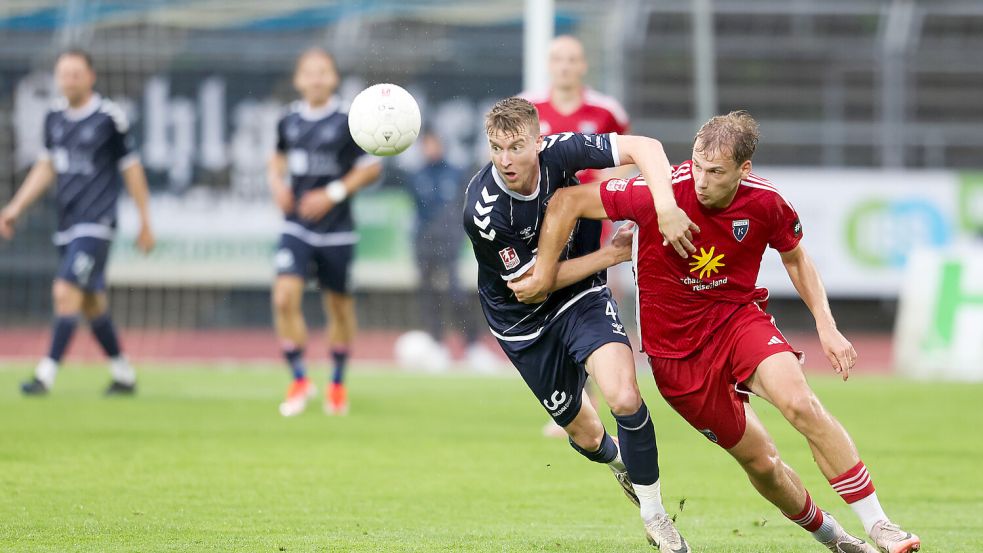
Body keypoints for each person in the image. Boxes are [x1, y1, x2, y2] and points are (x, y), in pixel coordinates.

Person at [513, 110, 921, 553]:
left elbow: (796, 258)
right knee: (763, 464)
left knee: (801, 403)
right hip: (677, 359)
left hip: (736, 320)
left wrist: (827, 325)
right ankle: (834, 537)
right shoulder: (656, 193)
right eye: (698, 166)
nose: (702, 181)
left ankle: (881, 524)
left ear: (744, 170)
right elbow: (566, 202)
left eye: (716, 172)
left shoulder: (766, 202)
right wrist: (545, 273)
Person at [463, 97, 697, 550]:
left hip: (582, 294)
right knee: (587, 436)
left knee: (625, 396)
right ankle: (620, 466)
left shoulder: (561, 151)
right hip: (523, 323)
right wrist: (611, 255)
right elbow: (534, 286)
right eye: (496, 148)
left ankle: (656, 517)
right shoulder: (485, 210)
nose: (505, 160)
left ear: (538, 140)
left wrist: (665, 207)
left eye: (515, 147)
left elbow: (646, 147)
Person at [0, 49, 154, 396]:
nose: (68, 80)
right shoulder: (53, 117)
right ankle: (123, 374)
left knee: (64, 291)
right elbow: (45, 168)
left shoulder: (108, 117)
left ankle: (45, 375)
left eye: (75, 74)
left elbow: (132, 169)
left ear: (90, 77)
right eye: (63, 74)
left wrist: (146, 221)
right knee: (91, 303)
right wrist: (15, 207)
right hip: (67, 222)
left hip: (97, 223)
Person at [521, 34, 637, 437]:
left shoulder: (606, 110)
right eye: (558, 59)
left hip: (592, 224)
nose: (566, 66)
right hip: (544, 227)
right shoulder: (528, 107)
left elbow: (624, 160)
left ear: (583, 65)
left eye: (573, 59)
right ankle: (573, 397)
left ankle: (598, 388)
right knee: (550, 297)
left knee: (595, 299)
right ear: (549, 64)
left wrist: (609, 193)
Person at [268, 48, 382, 417]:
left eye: (323, 72)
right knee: (284, 297)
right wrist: (276, 183)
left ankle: (336, 383)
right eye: (309, 72)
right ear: (298, 80)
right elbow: (278, 157)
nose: (316, 79)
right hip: (297, 225)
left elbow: (371, 169)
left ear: (333, 78)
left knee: (338, 307)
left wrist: (332, 194)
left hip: (337, 230)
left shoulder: (350, 119)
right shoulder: (288, 120)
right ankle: (300, 378)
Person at [406, 130, 497, 372]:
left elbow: (461, 207)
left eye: (434, 143)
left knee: (456, 294)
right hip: (424, 243)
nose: (430, 148)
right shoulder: (417, 176)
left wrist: (454, 235)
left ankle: (472, 345)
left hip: (448, 241)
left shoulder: (456, 173)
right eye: (426, 145)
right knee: (428, 295)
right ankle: (437, 344)